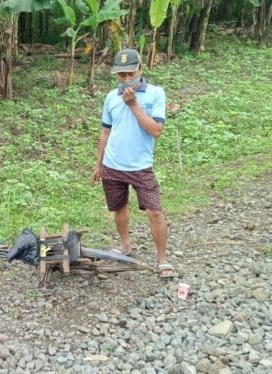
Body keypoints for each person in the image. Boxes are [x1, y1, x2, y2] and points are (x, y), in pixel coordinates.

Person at [91, 48, 176, 278]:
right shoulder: (110, 97)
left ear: (141, 68)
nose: (127, 79)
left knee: (155, 212)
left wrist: (133, 105)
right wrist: (99, 164)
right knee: (119, 208)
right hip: (112, 164)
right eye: (121, 75)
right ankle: (125, 244)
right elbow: (105, 132)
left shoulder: (156, 94)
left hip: (140, 166)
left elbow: (156, 130)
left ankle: (162, 258)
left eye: (131, 73)